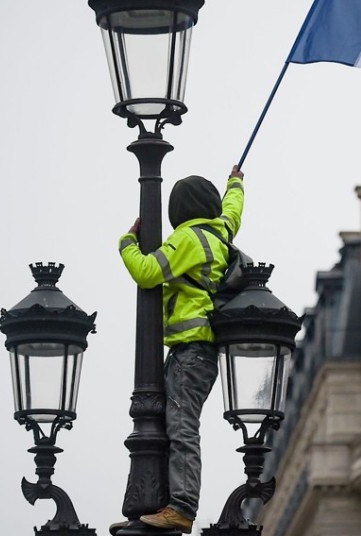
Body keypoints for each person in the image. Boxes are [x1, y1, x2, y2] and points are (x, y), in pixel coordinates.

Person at [118, 166, 244, 534]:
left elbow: (145, 271)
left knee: (182, 427)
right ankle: (159, 502)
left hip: (190, 351)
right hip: (201, 353)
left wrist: (126, 242)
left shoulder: (187, 239)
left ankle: (182, 507)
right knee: (173, 424)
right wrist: (235, 183)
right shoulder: (220, 232)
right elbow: (233, 210)